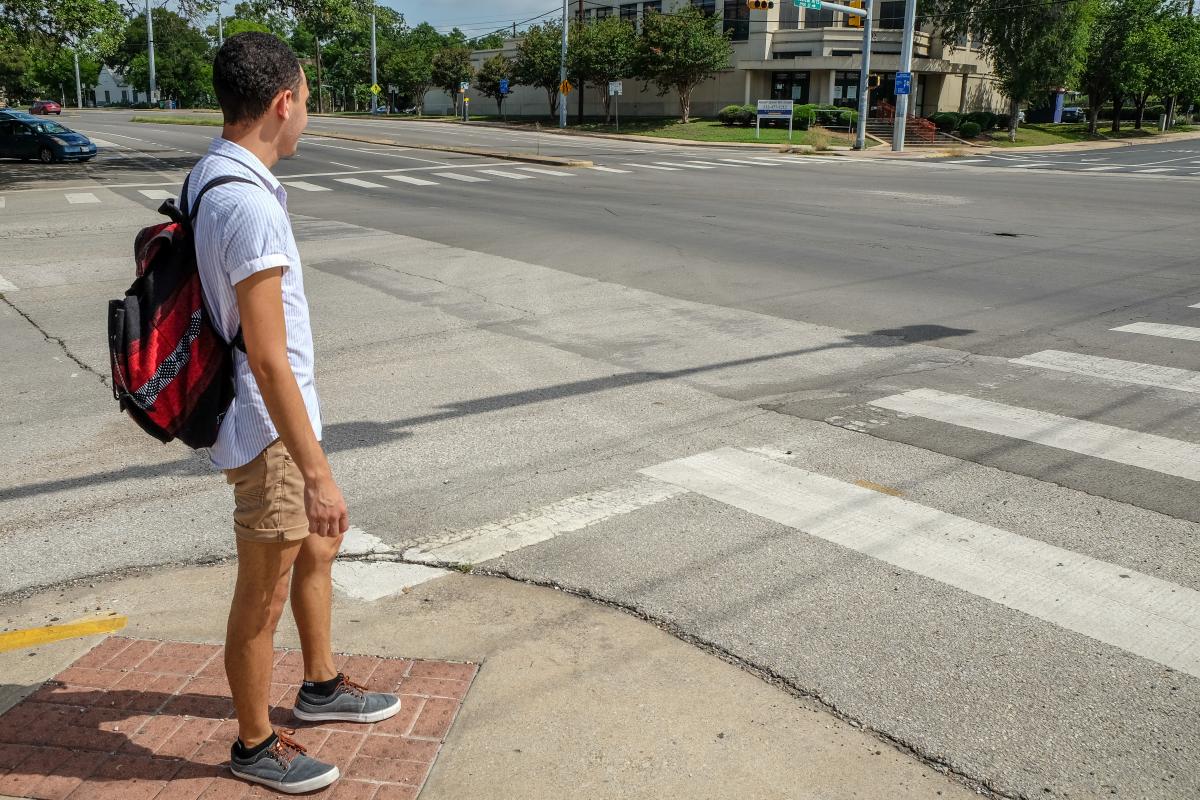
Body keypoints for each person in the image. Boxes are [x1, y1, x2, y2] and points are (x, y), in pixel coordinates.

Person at [190, 32, 400, 794]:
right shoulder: (248, 206)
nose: (308, 116)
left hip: (279, 420)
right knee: (263, 592)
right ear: (283, 103)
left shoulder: (215, 174)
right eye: (307, 101)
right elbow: (269, 356)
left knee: (317, 550)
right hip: (269, 428)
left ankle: (320, 685)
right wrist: (315, 471)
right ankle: (253, 745)